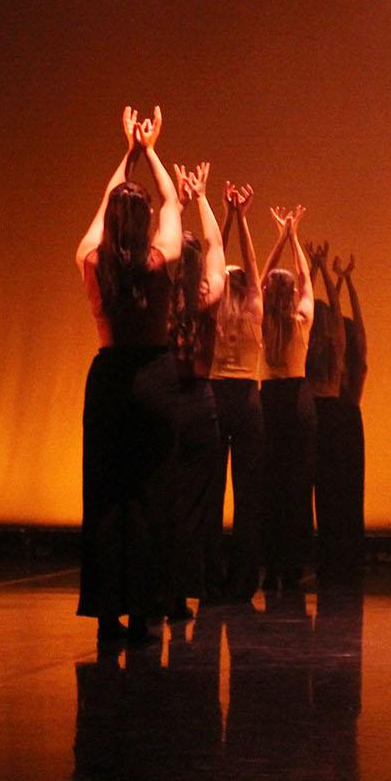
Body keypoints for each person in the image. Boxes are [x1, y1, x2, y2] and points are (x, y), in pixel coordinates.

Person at [74, 106, 183, 642]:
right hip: (155, 379)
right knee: (150, 494)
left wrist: (128, 154)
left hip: (110, 380)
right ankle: (143, 612)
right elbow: (173, 201)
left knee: (106, 494)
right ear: (145, 225)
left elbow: (103, 206)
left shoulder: (92, 263)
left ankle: (106, 615)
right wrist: (151, 151)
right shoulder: (160, 261)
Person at [165, 161, 226, 621]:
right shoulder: (207, 295)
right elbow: (216, 245)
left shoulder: (160, 297)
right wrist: (203, 197)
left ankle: (161, 591)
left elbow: (166, 250)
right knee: (197, 502)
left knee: (164, 497)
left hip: (165, 401)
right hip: (200, 402)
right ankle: (189, 587)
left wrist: (177, 204)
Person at [203, 180, 266, 604]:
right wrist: (240, 217)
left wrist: (228, 218)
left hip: (216, 397)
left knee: (211, 494)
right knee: (248, 496)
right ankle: (242, 582)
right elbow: (251, 265)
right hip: (246, 400)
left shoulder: (213, 308)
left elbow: (215, 258)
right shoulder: (254, 306)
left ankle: (209, 580)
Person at [258, 205, 316, 594]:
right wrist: (293, 236)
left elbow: (261, 278)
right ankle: (293, 567)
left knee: (271, 488)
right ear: (291, 294)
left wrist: (281, 238)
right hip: (298, 402)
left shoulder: (261, 319)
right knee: (297, 488)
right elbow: (307, 280)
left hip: (269, 403)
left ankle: (271, 567)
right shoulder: (301, 321)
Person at [306, 243, 367, 584]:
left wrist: (318, 270)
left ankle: (326, 561)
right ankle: (344, 562)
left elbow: (306, 308)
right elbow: (353, 328)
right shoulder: (339, 354)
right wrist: (340, 281)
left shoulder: (313, 352)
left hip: (319, 417)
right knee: (343, 496)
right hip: (339, 419)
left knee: (323, 495)